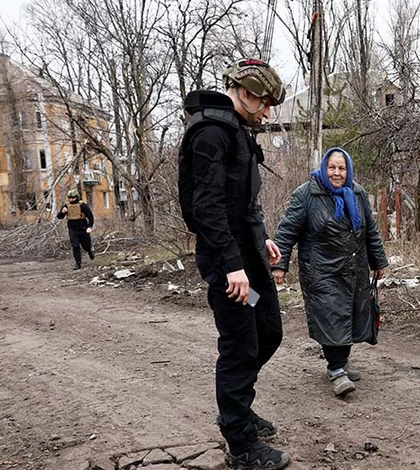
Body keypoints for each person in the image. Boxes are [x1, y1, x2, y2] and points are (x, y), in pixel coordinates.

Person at [177, 58, 290, 469]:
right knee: (240, 345)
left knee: (268, 330)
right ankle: (240, 443)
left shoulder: (237, 131)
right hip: (228, 264)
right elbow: (206, 208)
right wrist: (231, 266)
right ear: (245, 92)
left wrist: (263, 239)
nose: (268, 111)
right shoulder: (210, 134)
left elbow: (241, 201)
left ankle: (236, 408)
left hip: (248, 257)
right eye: (265, 102)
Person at [272, 147, 388, 397]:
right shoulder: (306, 194)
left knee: (350, 316)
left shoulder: (357, 193)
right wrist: (279, 265)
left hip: (353, 268)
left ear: (348, 170)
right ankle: (336, 369)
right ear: (324, 168)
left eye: (341, 168)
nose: (336, 173)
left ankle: (341, 362)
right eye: (332, 167)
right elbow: (286, 231)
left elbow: (370, 231)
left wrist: (379, 262)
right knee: (330, 315)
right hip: (321, 270)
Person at [57, 188, 94, 270]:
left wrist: (89, 226)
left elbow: (90, 217)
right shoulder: (66, 206)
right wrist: (62, 212)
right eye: (70, 198)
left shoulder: (83, 205)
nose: (71, 199)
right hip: (72, 230)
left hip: (83, 229)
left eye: (73, 198)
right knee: (75, 246)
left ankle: (89, 251)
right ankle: (78, 263)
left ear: (77, 197)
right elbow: (59, 217)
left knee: (86, 245)